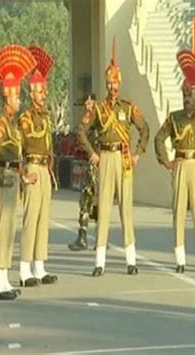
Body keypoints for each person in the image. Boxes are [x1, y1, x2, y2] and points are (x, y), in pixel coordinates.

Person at [77, 37, 150, 277]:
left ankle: (131, 260)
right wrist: (93, 154)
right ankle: (100, 262)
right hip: (105, 158)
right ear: (106, 84)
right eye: (109, 83)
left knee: (126, 210)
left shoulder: (128, 108)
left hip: (124, 157)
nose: (113, 87)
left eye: (116, 83)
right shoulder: (98, 109)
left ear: (120, 83)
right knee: (104, 209)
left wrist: (138, 153)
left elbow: (145, 129)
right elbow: (81, 131)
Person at [154, 49, 195, 274]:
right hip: (181, 165)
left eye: (190, 97)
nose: (187, 101)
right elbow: (159, 138)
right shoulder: (174, 118)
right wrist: (166, 161)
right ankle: (180, 258)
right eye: (184, 97)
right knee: (179, 210)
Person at [0, 44, 37, 298]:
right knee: (2, 229)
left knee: (10, 230)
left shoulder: (11, 125)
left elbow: (16, 157)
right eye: (17, 97)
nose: (19, 100)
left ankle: (3, 279)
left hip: (12, 178)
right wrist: (1, 178)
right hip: (3, 182)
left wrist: (22, 176)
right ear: (7, 99)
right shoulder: (0, 126)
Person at [18, 46, 58, 287]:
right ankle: (24, 268)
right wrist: (23, 174)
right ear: (32, 93)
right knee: (31, 219)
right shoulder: (25, 118)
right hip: (32, 168)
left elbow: (49, 143)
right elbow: (19, 146)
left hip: (45, 170)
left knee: (43, 218)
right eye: (41, 92)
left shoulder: (46, 116)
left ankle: (39, 265)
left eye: (44, 90)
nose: (44, 95)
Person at [68, 95, 99, 251]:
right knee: (86, 201)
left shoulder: (99, 118)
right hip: (91, 166)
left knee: (98, 202)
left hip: (100, 166)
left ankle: (101, 239)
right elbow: (79, 133)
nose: (87, 106)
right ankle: (83, 237)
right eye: (85, 103)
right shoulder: (88, 120)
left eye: (89, 103)